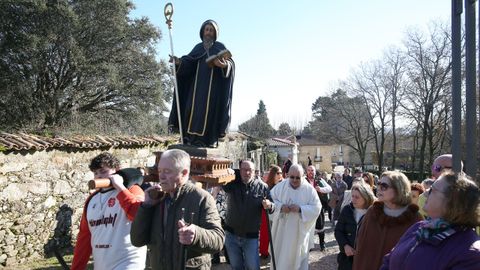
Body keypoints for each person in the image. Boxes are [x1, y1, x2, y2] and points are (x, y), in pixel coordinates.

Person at [130, 149, 224, 269]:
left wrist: (196, 235)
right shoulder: (156, 198)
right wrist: (146, 207)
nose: (161, 177)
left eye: (167, 171)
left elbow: (218, 240)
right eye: (160, 171)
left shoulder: (202, 198)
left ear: (184, 173)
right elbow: (137, 240)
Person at [381, 172, 480, 269]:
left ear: (452, 200)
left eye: (433, 189)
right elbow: (389, 260)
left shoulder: (470, 253)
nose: (426, 193)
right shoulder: (420, 227)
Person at [71, 152, 147, 270]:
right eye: (96, 173)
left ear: (117, 170)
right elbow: (84, 237)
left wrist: (120, 187)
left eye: (103, 171)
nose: (99, 176)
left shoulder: (133, 189)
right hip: (102, 264)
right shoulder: (91, 199)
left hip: (129, 261)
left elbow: (138, 216)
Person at [168, 20, 235, 147]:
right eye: (207, 29)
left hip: (212, 92)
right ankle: (189, 139)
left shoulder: (219, 47)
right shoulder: (198, 48)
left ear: (215, 33)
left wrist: (223, 65)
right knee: (191, 112)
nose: (208, 32)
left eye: (211, 30)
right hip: (195, 90)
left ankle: (207, 140)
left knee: (209, 114)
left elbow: (230, 63)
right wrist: (179, 62)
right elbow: (189, 62)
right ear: (202, 32)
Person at [352, 171, 423, 270]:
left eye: (384, 186)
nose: (379, 188)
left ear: (399, 189)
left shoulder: (415, 219)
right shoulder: (372, 212)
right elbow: (361, 248)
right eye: (379, 184)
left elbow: (417, 257)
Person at [223, 160, 274, 270]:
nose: (247, 173)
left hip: (251, 237)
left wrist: (269, 205)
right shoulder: (232, 183)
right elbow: (223, 183)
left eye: (250, 170)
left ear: (254, 172)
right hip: (231, 235)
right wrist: (234, 172)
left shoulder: (262, 187)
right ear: (239, 170)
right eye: (244, 170)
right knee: (236, 266)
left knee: (253, 267)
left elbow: (272, 207)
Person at [269, 164, 322, 270]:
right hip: (282, 232)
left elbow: (317, 207)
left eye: (298, 177)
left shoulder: (309, 190)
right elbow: (270, 201)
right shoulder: (280, 187)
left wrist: (301, 209)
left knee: (299, 261)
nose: (294, 180)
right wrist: (280, 207)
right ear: (288, 175)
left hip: (299, 233)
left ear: (303, 176)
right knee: (281, 259)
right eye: (292, 177)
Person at [334, 183, 375, 270]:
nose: (353, 199)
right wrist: (345, 245)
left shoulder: (373, 213)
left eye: (357, 197)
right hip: (347, 257)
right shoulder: (347, 210)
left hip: (365, 259)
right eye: (352, 196)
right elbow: (338, 230)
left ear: (366, 197)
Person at [259, 165, 283, 258]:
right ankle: (264, 252)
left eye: (281, 173)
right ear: (273, 174)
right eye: (278, 173)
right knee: (266, 232)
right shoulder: (267, 186)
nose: (280, 175)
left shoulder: (283, 185)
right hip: (267, 212)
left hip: (279, 212)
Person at [306, 166, 332, 251]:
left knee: (320, 226)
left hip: (318, 207)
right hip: (307, 207)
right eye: (309, 170)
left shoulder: (319, 180)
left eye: (312, 170)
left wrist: (320, 189)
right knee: (308, 227)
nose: (311, 172)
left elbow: (329, 188)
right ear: (307, 172)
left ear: (315, 171)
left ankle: (322, 244)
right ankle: (309, 245)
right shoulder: (303, 181)